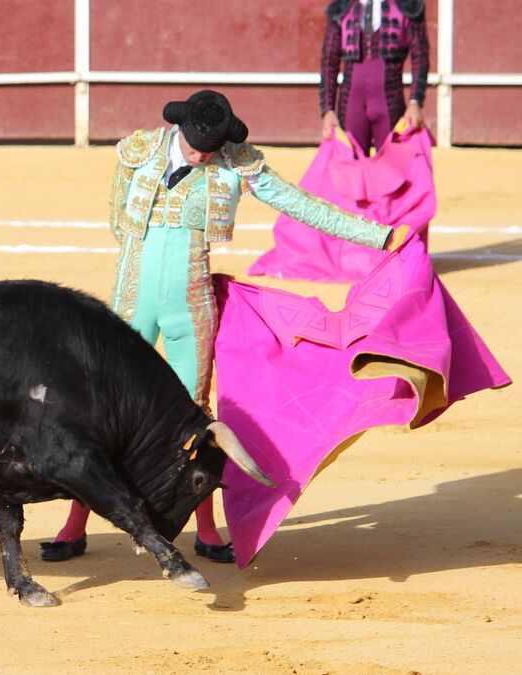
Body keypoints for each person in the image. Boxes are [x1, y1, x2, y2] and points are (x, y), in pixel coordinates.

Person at [39, 89, 405, 565]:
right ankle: (75, 524)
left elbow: (300, 204)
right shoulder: (139, 151)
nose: (202, 155)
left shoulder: (235, 163)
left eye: (209, 150)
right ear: (179, 129)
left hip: (190, 306)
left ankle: (207, 529)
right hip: (133, 300)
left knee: (194, 419)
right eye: (195, 147)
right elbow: (118, 221)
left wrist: (377, 235)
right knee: (101, 409)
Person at [320, 0, 430, 153]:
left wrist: (415, 101)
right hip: (351, 104)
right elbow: (328, 62)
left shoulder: (406, 6)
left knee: (392, 167)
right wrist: (328, 110)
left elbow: (420, 56)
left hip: (390, 102)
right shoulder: (342, 8)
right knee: (351, 167)